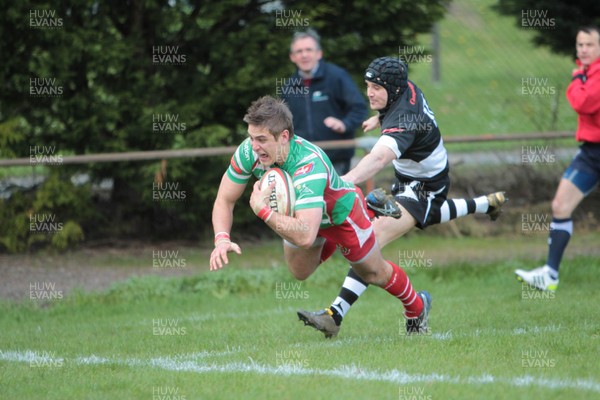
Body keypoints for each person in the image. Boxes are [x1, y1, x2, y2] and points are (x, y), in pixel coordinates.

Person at [297, 56, 507, 338]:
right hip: (408, 181)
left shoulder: (405, 121)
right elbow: (396, 109)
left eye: (376, 88)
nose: (369, 92)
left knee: (368, 244)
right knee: (411, 223)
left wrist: (342, 181)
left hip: (425, 188)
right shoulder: (403, 89)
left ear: (393, 90)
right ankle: (486, 204)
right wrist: (379, 117)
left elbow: (379, 157)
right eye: (368, 85)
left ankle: (343, 314)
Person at [210, 95, 432, 337]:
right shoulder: (250, 151)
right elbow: (224, 199)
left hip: (342, 216)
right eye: (251, 138)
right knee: (300, 272)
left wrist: (263, 211)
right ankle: (367, 209)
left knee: (373, 272)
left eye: (261, 139)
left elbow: (305, 237)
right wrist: (221, 238)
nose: (254, 146)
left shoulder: (308, 167)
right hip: (304, 217)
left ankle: (417, 307)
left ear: (284, 136)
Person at [515, 26, 600, 291]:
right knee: (560, 205)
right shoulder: (586, 73)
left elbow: (583, 103)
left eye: (589, 45)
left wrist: (575, 80)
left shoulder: (590, 76)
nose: (583, 50)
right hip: (591, 153)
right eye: (580, 45)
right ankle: (550, 275)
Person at [281, 29, 368, 175]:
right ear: (292, 57)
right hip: (301, 161)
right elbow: (283, 123)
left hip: (335, 160)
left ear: (319, 53)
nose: (304, 55)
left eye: (309, 49)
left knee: (333, 198)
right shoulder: (289, 86)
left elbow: (359, 108)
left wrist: (344, 124)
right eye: (299, 51)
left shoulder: (337, 77)